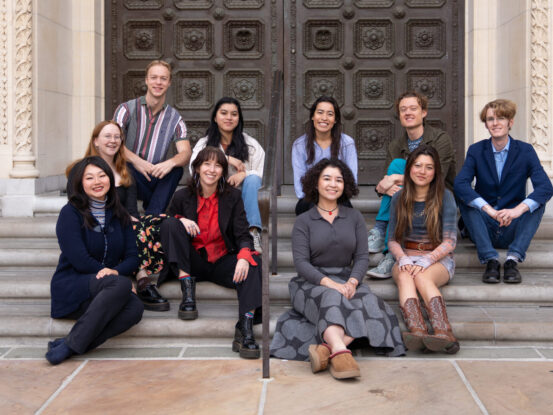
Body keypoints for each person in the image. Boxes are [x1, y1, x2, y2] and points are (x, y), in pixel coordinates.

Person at [271, 159, 405, 380]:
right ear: (315, 183)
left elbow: (362, 257)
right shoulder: (304, 221)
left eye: (338, 180)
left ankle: (326, 350)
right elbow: (302, 264)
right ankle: (342, 353)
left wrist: (352, 282)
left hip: (346, 276)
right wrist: (331, 283)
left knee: (371, 303)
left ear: (345, 185)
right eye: (327, 179)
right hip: (311, 282)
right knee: (333, 298)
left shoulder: (354, 217)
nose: (333, 184)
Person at [158, 146, 262, 359]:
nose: (212, 170)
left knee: (253, 263)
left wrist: (243, 256)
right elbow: (163, 224)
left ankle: (245, 327)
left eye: (218, 165)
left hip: (222, 260)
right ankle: (188, 292)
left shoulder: (232, 197)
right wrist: (180, 219)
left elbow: (243, 234)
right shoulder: (181, 196)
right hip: (192, 262)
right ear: (196, 168)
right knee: (170, 225)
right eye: (206, 164)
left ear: (224, 171)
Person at [46, 156, 143, 365]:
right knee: (121, 284)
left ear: (110, 179)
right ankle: (70, 345)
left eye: (101, 176)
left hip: (105, 292)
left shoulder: (120, 214)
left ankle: (69, 345)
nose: (97, 182)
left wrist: (115, 275)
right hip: (72, 287)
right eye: (89, 178)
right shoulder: (70, 213)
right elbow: (80, 261)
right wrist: (115, 278)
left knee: (135, 308)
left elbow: (133, 258)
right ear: (80, 183)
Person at [454, 99, 553, 284]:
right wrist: (489, 210)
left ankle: (512, 260)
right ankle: (490, 260)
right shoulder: (476, 150)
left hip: (513, 225)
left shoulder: (525, 151)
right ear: (486, 124)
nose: (495, 123)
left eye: (501, 118)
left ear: (510, 122)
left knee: (537, 203)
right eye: (491, 119)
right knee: (465, 199)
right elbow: (460, 184)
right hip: (485, 225)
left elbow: (546, 187)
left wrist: (517, 210)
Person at [77, 120, 169, 311]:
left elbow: (132, 211)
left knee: (159, 221)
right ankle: (142, 278)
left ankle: (166, 270)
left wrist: (130, 219)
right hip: (96, 224)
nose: (113, 140)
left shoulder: (125, 172)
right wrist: (124, 218)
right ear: (96, 141)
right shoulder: (82, 171)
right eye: (107, 136)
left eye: (117, 137)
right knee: (133, 227)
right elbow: (80, 207)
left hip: (126, 224)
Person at [367, 91, 456, 279]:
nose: (408, 113)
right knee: (396, 167)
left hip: (436, 196)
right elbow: (385, 183)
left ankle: (385, 240)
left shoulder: (441, 139)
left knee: (398, 166)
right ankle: (387, 240)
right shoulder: (395, 144)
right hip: (407, 195)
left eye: (413, 108)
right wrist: (388, 183)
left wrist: (392, 180)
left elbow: (437, 175)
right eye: (403, 109)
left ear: (424, 112)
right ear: (399, 115)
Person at [389, 145, 459, 354]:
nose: (422, 171)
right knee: (404, 277)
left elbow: (450, 242)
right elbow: (392, 240)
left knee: (422, 277)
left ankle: (443, 331)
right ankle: (417, 331)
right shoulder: (398, 199)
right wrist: (403, 259)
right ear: (409, 168)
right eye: (418, 165)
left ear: (436, 171)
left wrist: (428, 259)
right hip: (407, 256)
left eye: (429, 167)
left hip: (438, 259)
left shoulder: (445, 197)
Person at [113, 59, 191, 215]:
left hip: (154, 175)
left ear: (169, 83)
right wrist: (138, 162)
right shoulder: (126, 109)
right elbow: (114, 144)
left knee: (175, 171)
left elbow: (185, 153)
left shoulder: (175, 118)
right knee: (125, 167)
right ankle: (154, 217)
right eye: (154, 77)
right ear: (146, 80)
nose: (158, 82)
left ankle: (150, 217)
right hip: (130, 174)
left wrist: (170, 162)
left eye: (163, 78)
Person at [189, 97, 264, 252]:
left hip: (243, 200)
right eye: (224, 113)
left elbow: (263, 173)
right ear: (215, 118)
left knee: (253, 179)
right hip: (215, 196)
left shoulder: (251, 144)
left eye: (234, 114)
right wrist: (227, 159)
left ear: (239, 118)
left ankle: (253, 232)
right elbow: (193, 167)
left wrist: (244, 174)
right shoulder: (205, 143)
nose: (229, 118)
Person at [291, 96, 358, 216]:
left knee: (341, 209)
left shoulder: (347, 143)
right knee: (314, 208)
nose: (324, 118)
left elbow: (352, 180)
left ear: (336, 119)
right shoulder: (300, 145)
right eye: (320, 112)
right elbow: (300, 187)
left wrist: (331, 195)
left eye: (330, 114)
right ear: (312, 116)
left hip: (338, 196)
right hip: (310, 199)